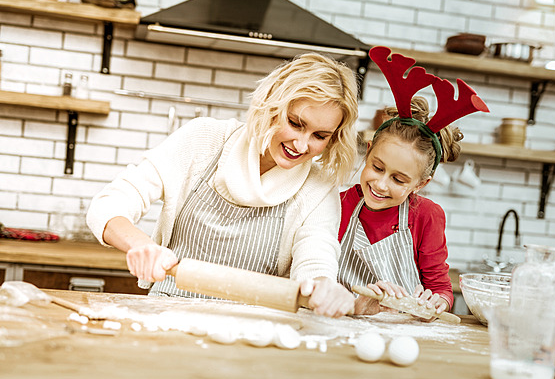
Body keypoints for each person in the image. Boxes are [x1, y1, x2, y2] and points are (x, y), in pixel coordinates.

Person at [86, 53, 359, 318]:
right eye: (295, 123)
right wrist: (142, 245)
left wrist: (323, 285)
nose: (301, 145)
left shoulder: (318, 187)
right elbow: (110, 204)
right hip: (167, 316)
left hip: (255, 331)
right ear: (273, 104)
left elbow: (315, 255)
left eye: (319, 136)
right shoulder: (205, 140)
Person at [338, 46, 489, 320]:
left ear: (421, 183)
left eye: (398, 179)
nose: (381, 184)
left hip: (406, 333)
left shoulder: (426, 216)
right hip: (344, 323)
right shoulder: (339, 205)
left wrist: (437, 302)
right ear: (368, 150)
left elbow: (442, 290)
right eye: (377, 167)